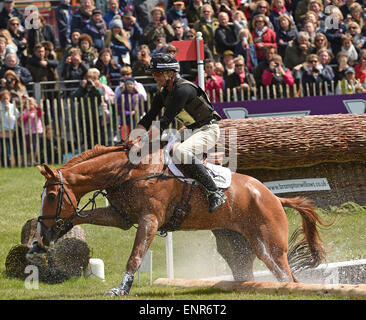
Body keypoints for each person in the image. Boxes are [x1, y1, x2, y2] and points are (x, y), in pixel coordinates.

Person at [134, 53, 226, 213]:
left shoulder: (182, 90)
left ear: (170, 73)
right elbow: (148, 118)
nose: (154, 77)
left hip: (208, 130)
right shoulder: (162, 94)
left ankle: (214, 191)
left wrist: (142, 142)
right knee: (160, 147)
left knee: (181, 152)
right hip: (190, 131)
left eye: (157, 74)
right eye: (153, 74)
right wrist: (133, 139)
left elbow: (164, 122)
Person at [18, 96, 44, 165]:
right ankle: (29, 161)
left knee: (35, 146)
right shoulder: (24, 111)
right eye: (28, 103)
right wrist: (27, 116)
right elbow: (20, 120)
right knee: (29, 147)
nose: (30, 105)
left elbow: (41, 113)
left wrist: (37, 106)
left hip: (36, 131)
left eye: (31, 103)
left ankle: (34, 160)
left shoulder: (36, 110)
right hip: (28, 132)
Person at [0, 88, 19, 166]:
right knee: (2, 148)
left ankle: (8, 163)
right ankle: (2, 162)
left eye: (7, 98)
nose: (5, 100)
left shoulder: (12, 106)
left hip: (9, 130)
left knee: (9, 148)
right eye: (4, 98)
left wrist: (10, 115)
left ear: (9, 98)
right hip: (1, 130)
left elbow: (17, 116)